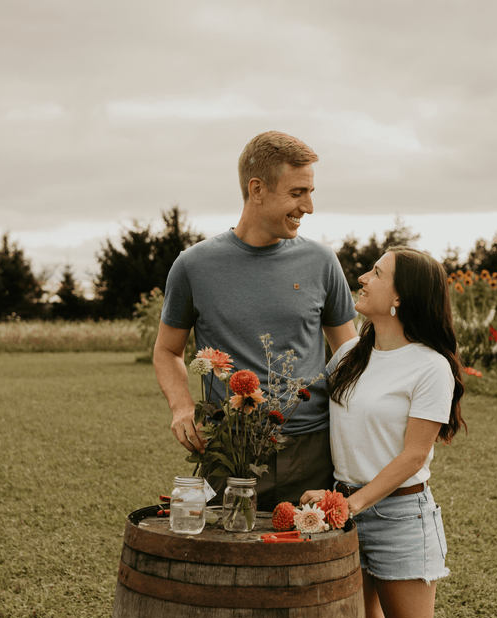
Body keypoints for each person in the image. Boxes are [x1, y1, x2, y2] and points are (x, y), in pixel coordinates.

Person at [301, 246, 465, 618]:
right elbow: (311, 408)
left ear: (400, 296)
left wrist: (353, 504)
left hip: (398, 515)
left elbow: (413, 455)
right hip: (346, 510)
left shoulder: (431, 366)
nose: (362, 278)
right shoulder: (351, 353)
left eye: (376, 272)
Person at [153, 131, 357, 510]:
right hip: (230, 449)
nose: (309, 206)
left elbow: (349, 353)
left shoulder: (322, 262)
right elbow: (167, 350)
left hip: (314, 448)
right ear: (257, 189)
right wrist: (181, 407)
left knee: (311, 549)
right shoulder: (193, 266)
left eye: (310, 192)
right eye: (297, 193)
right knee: (227, 545)